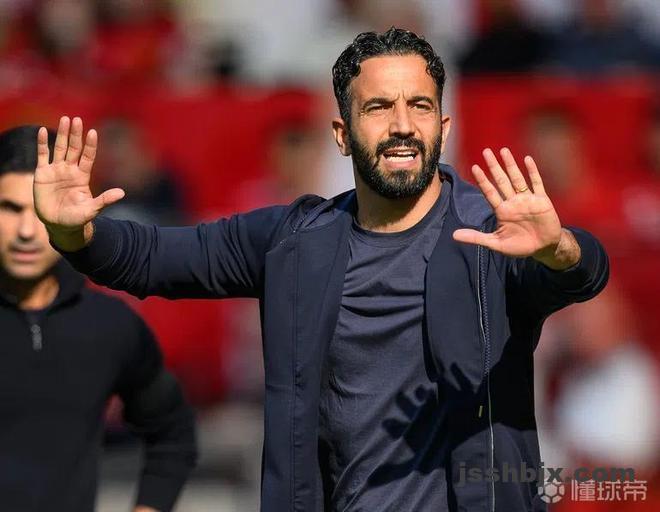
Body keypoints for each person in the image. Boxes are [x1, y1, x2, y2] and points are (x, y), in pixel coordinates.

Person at [34, 28, 608, 512]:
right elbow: (153, 258)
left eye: (420, 106)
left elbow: (582, 272)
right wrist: (73, 233)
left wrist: (558, 249)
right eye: (378, 107)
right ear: (341, 135)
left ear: (444, 127)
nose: (403, 125)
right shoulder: (294, 241)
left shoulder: (490, 236)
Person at [0, 125, 197, 511]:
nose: (26, 231)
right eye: (10, 208)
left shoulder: (110, 325)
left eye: (39, 209)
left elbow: (173, 435)